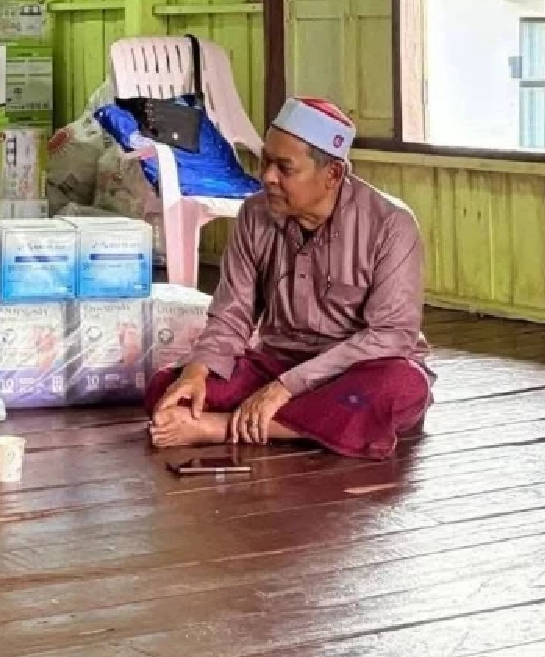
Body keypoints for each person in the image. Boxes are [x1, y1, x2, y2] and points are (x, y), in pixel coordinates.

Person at [147, 97, 431, 461]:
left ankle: (224, 427)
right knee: (167, 388)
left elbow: (392, 335)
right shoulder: (254, 213)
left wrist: (285, 388)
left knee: (401, 388)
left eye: (285, 168)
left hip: (353, 373)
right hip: (277, 363)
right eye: (266, 161)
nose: (267, 177)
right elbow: (232, 315)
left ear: (332, 175)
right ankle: (293, 425)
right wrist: (197, 371)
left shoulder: (391, 224)